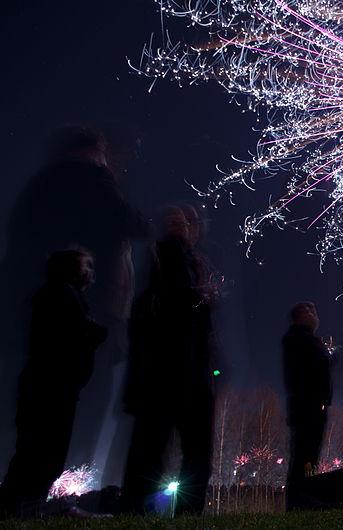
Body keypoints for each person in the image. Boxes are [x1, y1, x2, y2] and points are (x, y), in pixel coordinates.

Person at [0, 126, 149, 476]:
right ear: (94, 151)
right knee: (73, 402)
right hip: (84, 309)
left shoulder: (39, 186)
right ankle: (58, 484)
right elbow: (134, 223)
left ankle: (27, 484)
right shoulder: (90, 180)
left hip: (35, 308)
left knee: (35, 401)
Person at [121, 207, 216, 515]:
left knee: (174, 451)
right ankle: (141, 510)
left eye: (187, 220)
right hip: (169, 370)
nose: (182, 224)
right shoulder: (168, 259)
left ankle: (142, 510)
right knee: (156, 449)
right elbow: (178, 301)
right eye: (175, 219)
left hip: (180, 369)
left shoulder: (187, 265)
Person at [0, 249, 107, 517]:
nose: (91, 273)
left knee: (39, 450)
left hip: (52, 387)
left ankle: (22, 505)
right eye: (87, 266)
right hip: (51, 389)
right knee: (42, 450)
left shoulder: (59, 297)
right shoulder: (62, 298)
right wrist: (92, 333)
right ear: (71, 269)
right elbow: (66, 341)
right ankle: (21, 506)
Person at [283, 301, 333, 510]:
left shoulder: (302, 339)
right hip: (308, 406)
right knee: (305, 454)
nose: (314, 314)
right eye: (309, 311)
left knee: (309, 455)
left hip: (309, 405)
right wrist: (328, 355)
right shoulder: (299, 338)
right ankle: (300, 500)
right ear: (300, 316)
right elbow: (315, 365)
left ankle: (304, 498)